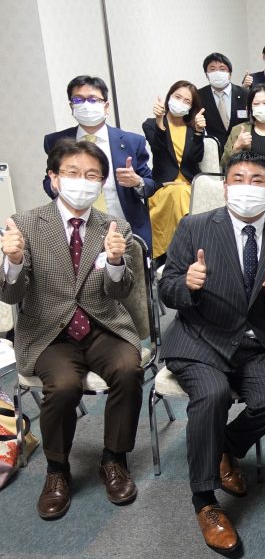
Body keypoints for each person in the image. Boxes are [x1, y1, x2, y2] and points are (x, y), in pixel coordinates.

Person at [159, 151, 265, 553]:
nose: (247, 187)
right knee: (213, 394)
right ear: (225, 187)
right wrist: (187, 284)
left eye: (257, 180)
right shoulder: (194, 227)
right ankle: (204, 500)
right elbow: (166, 288)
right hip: (200, 338)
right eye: (238, 179)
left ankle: (224, 446)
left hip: (256, 343)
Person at [1, 140, 141, 520]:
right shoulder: (26, 224)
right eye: (72, 173)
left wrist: (116, 261)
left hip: (102, 325)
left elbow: (120, 292)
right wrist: (14, 260)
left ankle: (114, 458)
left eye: (92, 175)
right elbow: (11, 294)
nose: (82, 181)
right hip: (49, 331)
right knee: (63, 386)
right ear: (54, 178)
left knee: (129, 369)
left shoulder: (114, 227)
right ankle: (57, 469)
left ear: (101, 183)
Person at [43, 75, 155, 248]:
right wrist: (57, 184)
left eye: (93, 99)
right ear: (71, 106)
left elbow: (150, 184)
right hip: (76, 228)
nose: (86, 105)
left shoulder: (132, 141)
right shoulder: (56, 141)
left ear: (106, 106)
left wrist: (137, 182)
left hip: (124, 228)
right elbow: (48, 181)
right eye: (78, 100)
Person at [143, 80, 207, 261]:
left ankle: (181, 253)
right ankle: (189, 250)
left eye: (187, 101)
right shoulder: (151, 124)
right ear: (169, 97)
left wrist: (198, 132)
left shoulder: (192, 128)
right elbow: (158, 148)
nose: (181, 103)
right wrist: (159, 122)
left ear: (191, 107)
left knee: (182, 193)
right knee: (178, 193)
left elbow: (196, 158)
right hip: (163, 187)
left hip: (190, 186)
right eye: (177, 97)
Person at [222, 85, 265, 168]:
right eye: (256, 104)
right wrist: (236, 148)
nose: (261, 107)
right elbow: (224, 164)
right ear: (250, 107)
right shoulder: (238, 130)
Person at [197, 53, 249, 151]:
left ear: (230, 74)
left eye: (222, 69)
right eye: (212, 69)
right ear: (206, 75)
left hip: (241, 150)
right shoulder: (198, 96)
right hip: (213, 152)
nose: (217, 73)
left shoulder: (245, 94)